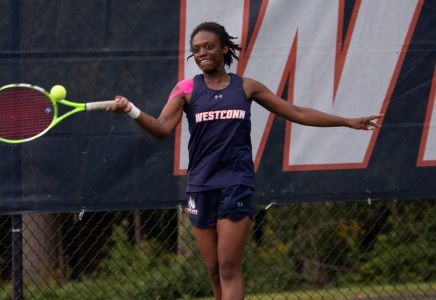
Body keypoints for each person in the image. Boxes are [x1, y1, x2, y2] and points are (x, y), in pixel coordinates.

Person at [108, 22, 382, 300]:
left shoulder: (246, 87)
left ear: (224, 48)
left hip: (235, 184)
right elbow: (162, 129)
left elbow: (297, 112)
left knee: (228, 267)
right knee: (214, 270)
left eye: (209, 46)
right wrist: (131, 110)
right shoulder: (186, 88)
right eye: (196, 50)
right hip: (200, 187)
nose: (202, 53)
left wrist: (346, 122)